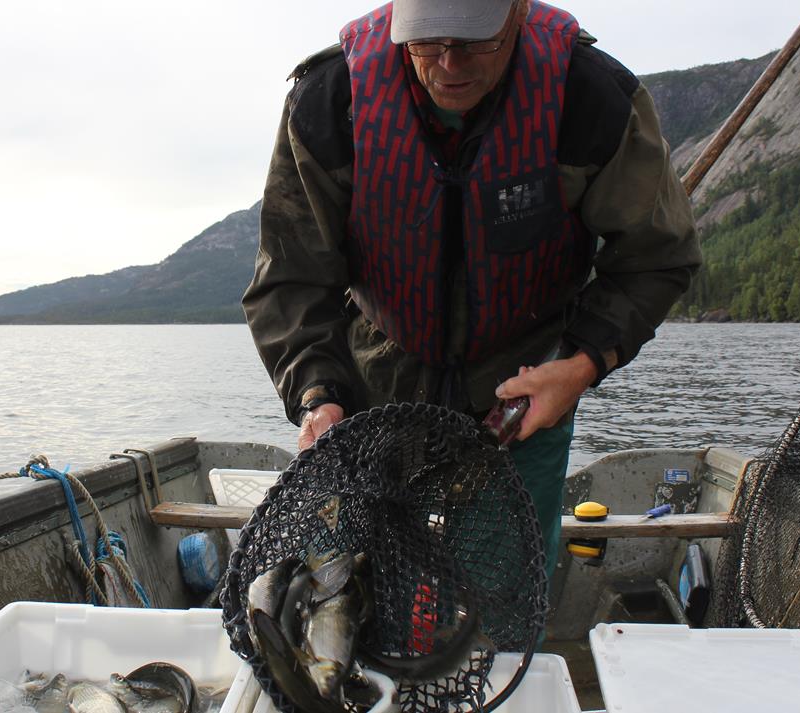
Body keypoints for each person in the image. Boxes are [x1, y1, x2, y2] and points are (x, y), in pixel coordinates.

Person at [242, 0, 701, 577]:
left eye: (475, 39)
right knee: (355, 584)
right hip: (373, 397)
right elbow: (291, 277)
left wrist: (580, 366)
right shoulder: (330, 104)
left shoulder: (592, 99)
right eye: (427, 40)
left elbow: (655, 257)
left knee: (502, 588)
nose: (449, 63)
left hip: (525, 400)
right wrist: (318, 394)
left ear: (518, 12)